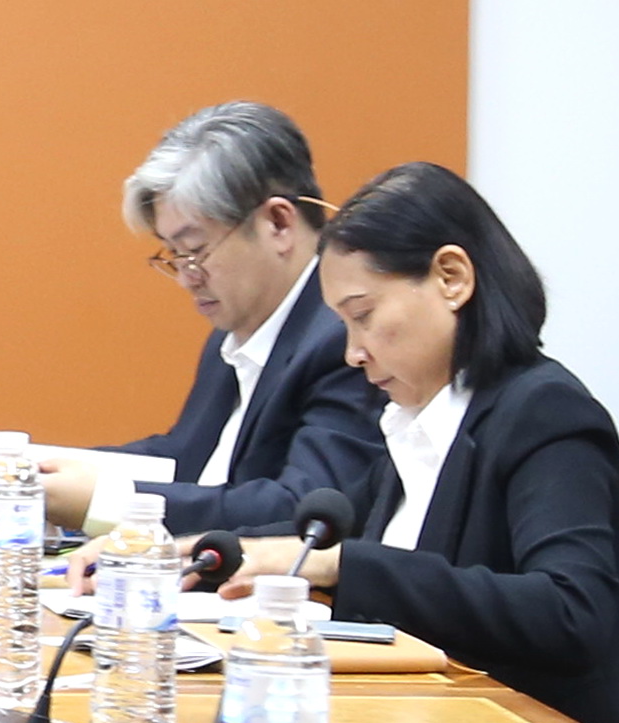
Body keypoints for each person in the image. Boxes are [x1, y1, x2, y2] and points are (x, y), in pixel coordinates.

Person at [236, 161, 619, 723]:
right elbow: (325, 535)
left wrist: (341, 566)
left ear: (452, 278)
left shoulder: (546, 412)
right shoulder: (420, 420)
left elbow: (570, 612)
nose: (352, 352)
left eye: (363, 316)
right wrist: (223, 552)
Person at [51, 101, 388, 536]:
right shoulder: (237, 330)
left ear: (278, 223)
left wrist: (109, 499)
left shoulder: (346, 337)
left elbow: (303, 510)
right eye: (174, 254)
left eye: (196, 250)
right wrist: (54, 470)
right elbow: (187, 460)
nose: (186, 277)